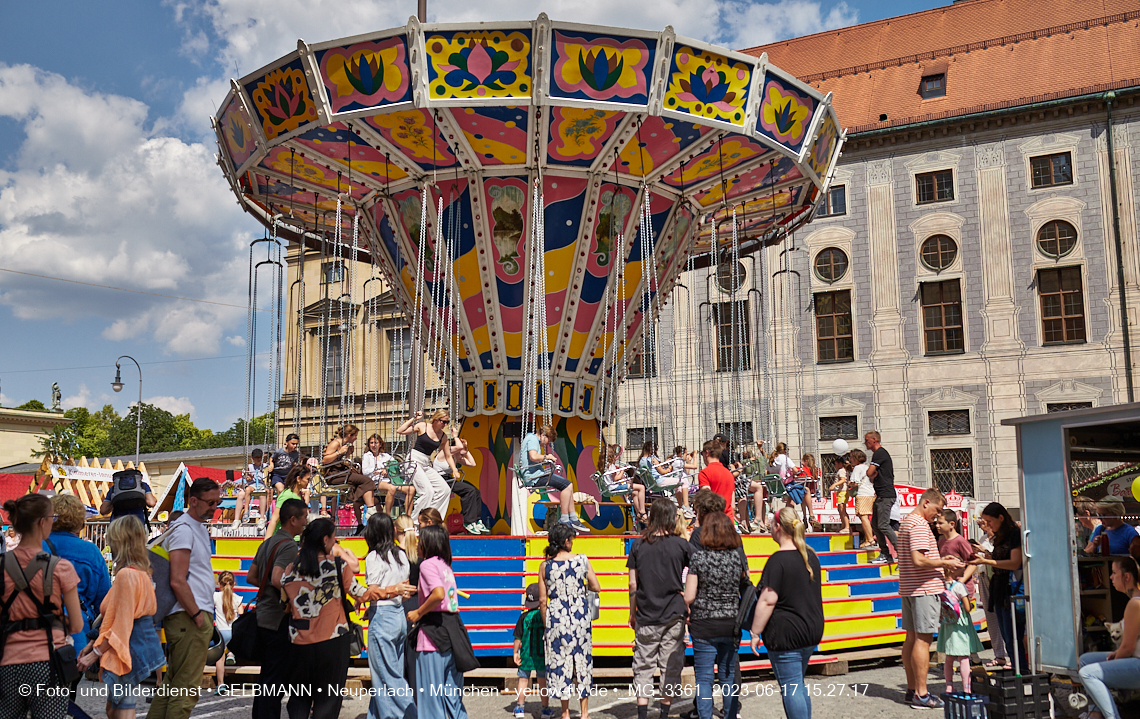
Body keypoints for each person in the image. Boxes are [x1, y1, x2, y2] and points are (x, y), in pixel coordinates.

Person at [0, 494, 83, 719]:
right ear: (41, 522)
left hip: (8, 661)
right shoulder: (60, 568)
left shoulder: (1, 566)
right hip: (48, 662)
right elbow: (76, 624)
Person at [77, 516, 166, 719]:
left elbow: (121, 625)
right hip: (135, 646)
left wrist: (95, 653)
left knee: (121, 709)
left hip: (124, 649)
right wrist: (93, 643)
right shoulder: (142, 573)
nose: (108, 542)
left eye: (112, 538)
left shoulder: (127, 575)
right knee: (117, 708)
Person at [282, 518, 369, 719]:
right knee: (328, 700)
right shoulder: (337, 566)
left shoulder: (291, 569)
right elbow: (360, 593)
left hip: (299, 641)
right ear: (324, 539)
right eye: (333, 538)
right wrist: (388, 591)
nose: (335, 541)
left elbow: (285, 602)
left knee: (299, 698)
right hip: (333, 640)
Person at [147, 478, 219, 719]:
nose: (214, 507)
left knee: (172, 687)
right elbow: (177, 579)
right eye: (210, 502)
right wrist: (198, 616)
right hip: (189, 616)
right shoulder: (184, 529)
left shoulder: (193, 527)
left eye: (216, 502)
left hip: (188, 616)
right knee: (185, 690)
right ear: (194, 500)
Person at [749, 507, 825, 719]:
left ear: (778, 527)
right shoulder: (810, 555)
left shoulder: (778, 560)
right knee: (798, 683)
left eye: (771, 524)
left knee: (791, 687)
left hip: (787, 633)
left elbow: (767, 600)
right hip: (811, 628)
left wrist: (755, 632)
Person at [897, 487, 962, 709]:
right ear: (926, 503)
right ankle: (922, 694)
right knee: (923, 640)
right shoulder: (919, 524)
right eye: (937, 509)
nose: (938, 515)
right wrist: (946, 563)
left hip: (910, 587)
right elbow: (919, 559)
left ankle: (913, 689)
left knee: (912, 638)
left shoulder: (907, 521)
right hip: (923, 588)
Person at [628, 499, 692, 719]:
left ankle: (642, 713)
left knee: (643, 665)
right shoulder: (681, 545)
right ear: (671, 517)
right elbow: (694, 573)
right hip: (674, 613)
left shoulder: (638, 545)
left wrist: (632, 611)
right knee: (670, 666)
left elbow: (632, 584)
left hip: (646, 613)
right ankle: (664, 713)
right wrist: (687, 597)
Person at [247, 497, 308, 719]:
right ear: (293, 520)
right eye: (303, 518)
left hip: (262, 615)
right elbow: (276, 578)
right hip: (277, 618)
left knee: (267, 677)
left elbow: (252, 576)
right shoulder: (290, 546)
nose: (305, 523)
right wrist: (295, 592)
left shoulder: (267, 542)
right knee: (274, 679)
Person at [407, 525, 474, 719]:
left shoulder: (427, 565)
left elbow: (438, 594)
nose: (418, 544)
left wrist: (417, 613)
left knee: (430, 696)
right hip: (452, 630)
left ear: (428, 543)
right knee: (452, 695)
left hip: (432, 633)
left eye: (420, 541)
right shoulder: (445, 565)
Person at [684, 511, 745, 719]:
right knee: (728, 677)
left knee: (704, 678)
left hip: (703, 623)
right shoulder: (737, 559)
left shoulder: (699, 558)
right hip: (731, 623)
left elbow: (690, 596)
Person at [539, 523, 600, 719]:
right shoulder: (582, 560)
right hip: (579, 614)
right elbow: (596, 585)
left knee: (560, 662)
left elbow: (542, 600)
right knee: (582, 661)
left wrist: (547, 624)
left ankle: (564, 712)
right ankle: (584, 712)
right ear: (566, 541)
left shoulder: (545, 566)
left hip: (556, 616)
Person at [363, 513, 416, 719]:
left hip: (383, 617)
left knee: (386, 675)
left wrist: (369, 597)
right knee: (387, 672)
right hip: (398, 615)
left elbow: (375, 590)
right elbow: (405, 590)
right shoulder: (401, 555)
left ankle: (413, 713)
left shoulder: (374, 557)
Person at [45, 494, 111, 651]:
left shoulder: (34, 547)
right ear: (80, 522)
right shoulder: (91, 552)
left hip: (35, 632)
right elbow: (104, 601)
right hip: (76, 633)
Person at [1077, 556, 1140, 719]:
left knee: (1087, 673)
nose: (1110, 577)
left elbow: (1127, 648)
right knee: (1085, 660)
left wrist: (1115, 658)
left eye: (1113, 573)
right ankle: (1095, 714)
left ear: (1127, 577)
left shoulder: (1135, 604)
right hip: (1134, 659)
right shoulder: (1134, 600)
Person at [969, 502, 1026, 673]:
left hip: (1011, 588)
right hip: (999, 587)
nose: (988, 525)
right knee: (1007, 636)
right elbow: (999, 558)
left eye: (989, 521)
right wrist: (985, 555)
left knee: (1013, 635)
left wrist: (985, 560)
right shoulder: (999, 536)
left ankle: (1021, 671)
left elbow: (1015, 563)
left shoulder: (1014, 534)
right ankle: (1016, 669)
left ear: (1001, 518)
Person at [516, 424, 587, 533]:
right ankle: (565, 519)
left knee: (568, 485)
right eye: (548, 441)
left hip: (535, 474)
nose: (547, 444)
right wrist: (547, 457)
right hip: (534, 477)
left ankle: (573, 518)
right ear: (543, 435)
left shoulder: (530, 438)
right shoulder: (533, 439)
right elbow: (533, 457)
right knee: (567, 486)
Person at [397, 410, 461, 524]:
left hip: (426, 463)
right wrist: (414, 419)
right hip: (414, 460)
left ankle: (433, 519)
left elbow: (448, 456)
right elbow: (400, 431)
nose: (445, 425)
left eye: (447, 422)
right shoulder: (423, 426)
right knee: (427, 492)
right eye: (444, 422)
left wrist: (454, 470)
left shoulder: (443, 436)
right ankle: (416, 522)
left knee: (445, 490)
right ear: (436, 419)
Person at [937, 554, 983, 696]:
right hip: (960, 622)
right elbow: (967, 608)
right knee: (963, 657)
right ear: (951, 570)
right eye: (959, 568)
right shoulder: (959, 586)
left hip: (947, 623)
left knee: (949, 657)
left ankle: (949, 686)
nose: (963, 570)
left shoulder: (941, 584)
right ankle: (967, 687)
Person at [972, 515, 1009, 668]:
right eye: (979, 522)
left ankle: (1011, 654)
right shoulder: (983, 538)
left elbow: (1000, 558)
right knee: (991, 617)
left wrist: (984, 550)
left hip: (998, 578)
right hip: (984, 576)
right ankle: (999, 654)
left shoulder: (1004, 538)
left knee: (1006, 617)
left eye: (983, 522)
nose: (980, 525)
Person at [323, 423, 378, 527]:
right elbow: (325, 460)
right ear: (349, 435)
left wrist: (347, 454)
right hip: (334, 476)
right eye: (355, 436)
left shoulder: (344, 445)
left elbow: (340, 461)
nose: (356, 438)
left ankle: (367, 507)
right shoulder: (336, 443)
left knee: (362, 482)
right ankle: (371, 510)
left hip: (342, 474)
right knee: (366, 481)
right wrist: (339, 452)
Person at [512, 583, 553, 719]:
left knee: (523, 680)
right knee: (542, 681)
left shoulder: (523, 617)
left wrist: (515, 652)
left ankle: (520, 708)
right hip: (542, 655)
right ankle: (545, 709)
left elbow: (518, 637)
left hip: (526, 654)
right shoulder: (544, 616)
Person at [434, 438, 490, 535]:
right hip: (440, 479)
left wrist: (467, 451)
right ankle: (468, 521)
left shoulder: (455, 457)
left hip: (448, 479)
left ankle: (476, 520)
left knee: (476, 491)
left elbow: (473, 463)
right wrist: (457, 439)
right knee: (469, 491)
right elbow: (458, 449)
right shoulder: (444, 452)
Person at [863, 431, 898, 564]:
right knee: (875, 525)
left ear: (874, 439)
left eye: (867, 440)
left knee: (883, 525)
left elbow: (869, 472)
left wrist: (872, 474)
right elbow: (872, 475)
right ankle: (885, 553)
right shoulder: (878, 454)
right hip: (881, 495)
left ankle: (902, 554)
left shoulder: (880, 453)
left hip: (886, 494)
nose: (865, 443)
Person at [363, 434, 416, 517]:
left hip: (390, 480)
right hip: (376, 481)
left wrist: (388, 471)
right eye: (371, 443)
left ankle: (408, 516)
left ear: (380, 444)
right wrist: (380, 470)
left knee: (411, 489)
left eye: (376, 443)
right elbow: (365, 471)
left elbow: (396, 467)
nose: (373, 445)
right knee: (391, 488)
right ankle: (388, 515)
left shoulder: (386, 456)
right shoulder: (367, 456)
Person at [212, 571, 243, 692]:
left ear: (219, 584)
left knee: (219, 659)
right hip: (233, 632)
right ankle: (231, 653)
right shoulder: (237, 598)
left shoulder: (215, 596)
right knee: (231, 644)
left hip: (221, 632)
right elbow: (241, 614)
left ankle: (220, 684)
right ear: (234, 584)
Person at [935, 510, 976, 595]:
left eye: (940, 523)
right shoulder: (941, 541)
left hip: (962, 589)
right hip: (949, 586)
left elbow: (973, 563)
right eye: (936, 523)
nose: (937, 526)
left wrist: (960, 581)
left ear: (952, 524)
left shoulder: (960, 541)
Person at [267, 463, 312, 537]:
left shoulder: (299, 495)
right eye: (307, 479)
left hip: (295, 539)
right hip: (285, 539)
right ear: (298, 479)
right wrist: (267, 543)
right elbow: (274, 520)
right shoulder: (287, 495)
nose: (309, 482)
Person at [697, 441, 736, 524]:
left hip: (713, 522)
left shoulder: (704, 473)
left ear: (706, 453)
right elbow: (733, 505)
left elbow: (705, 500)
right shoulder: (729, 474)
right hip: (728, 521)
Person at [233, 449, 269, 527]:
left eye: (260, 457)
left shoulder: (265, 466)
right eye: (256, 458)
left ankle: (262, 517)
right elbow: (247, 478)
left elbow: (267, 475)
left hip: (261, 484)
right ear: (253, 458)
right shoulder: (250, 467)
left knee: (262, 493)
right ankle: (245, 512)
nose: (258, 459)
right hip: (253, 485)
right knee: (247, 490)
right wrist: (249, 477)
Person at [848, 449, 876, 548]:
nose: (850, 459)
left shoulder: (857, 468)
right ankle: (869, 538)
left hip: (862, 494)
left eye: (851, 457)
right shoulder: (867, 467)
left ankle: (870, 539)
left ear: (856, 458)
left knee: (863, 517)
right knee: (866, 517)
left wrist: (848, 483)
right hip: (870, 493)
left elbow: (855, 482)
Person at [828, 456, 853, 535]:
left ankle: (847, 526)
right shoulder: (841, 471)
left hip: (843, 491)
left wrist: (834, 485)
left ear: (840, 463)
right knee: (840, 509)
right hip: (840, 492)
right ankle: (843, 525)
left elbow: (843, 480)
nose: (835, 466)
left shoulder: (841, 471)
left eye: (835, 464)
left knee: (842, 509)